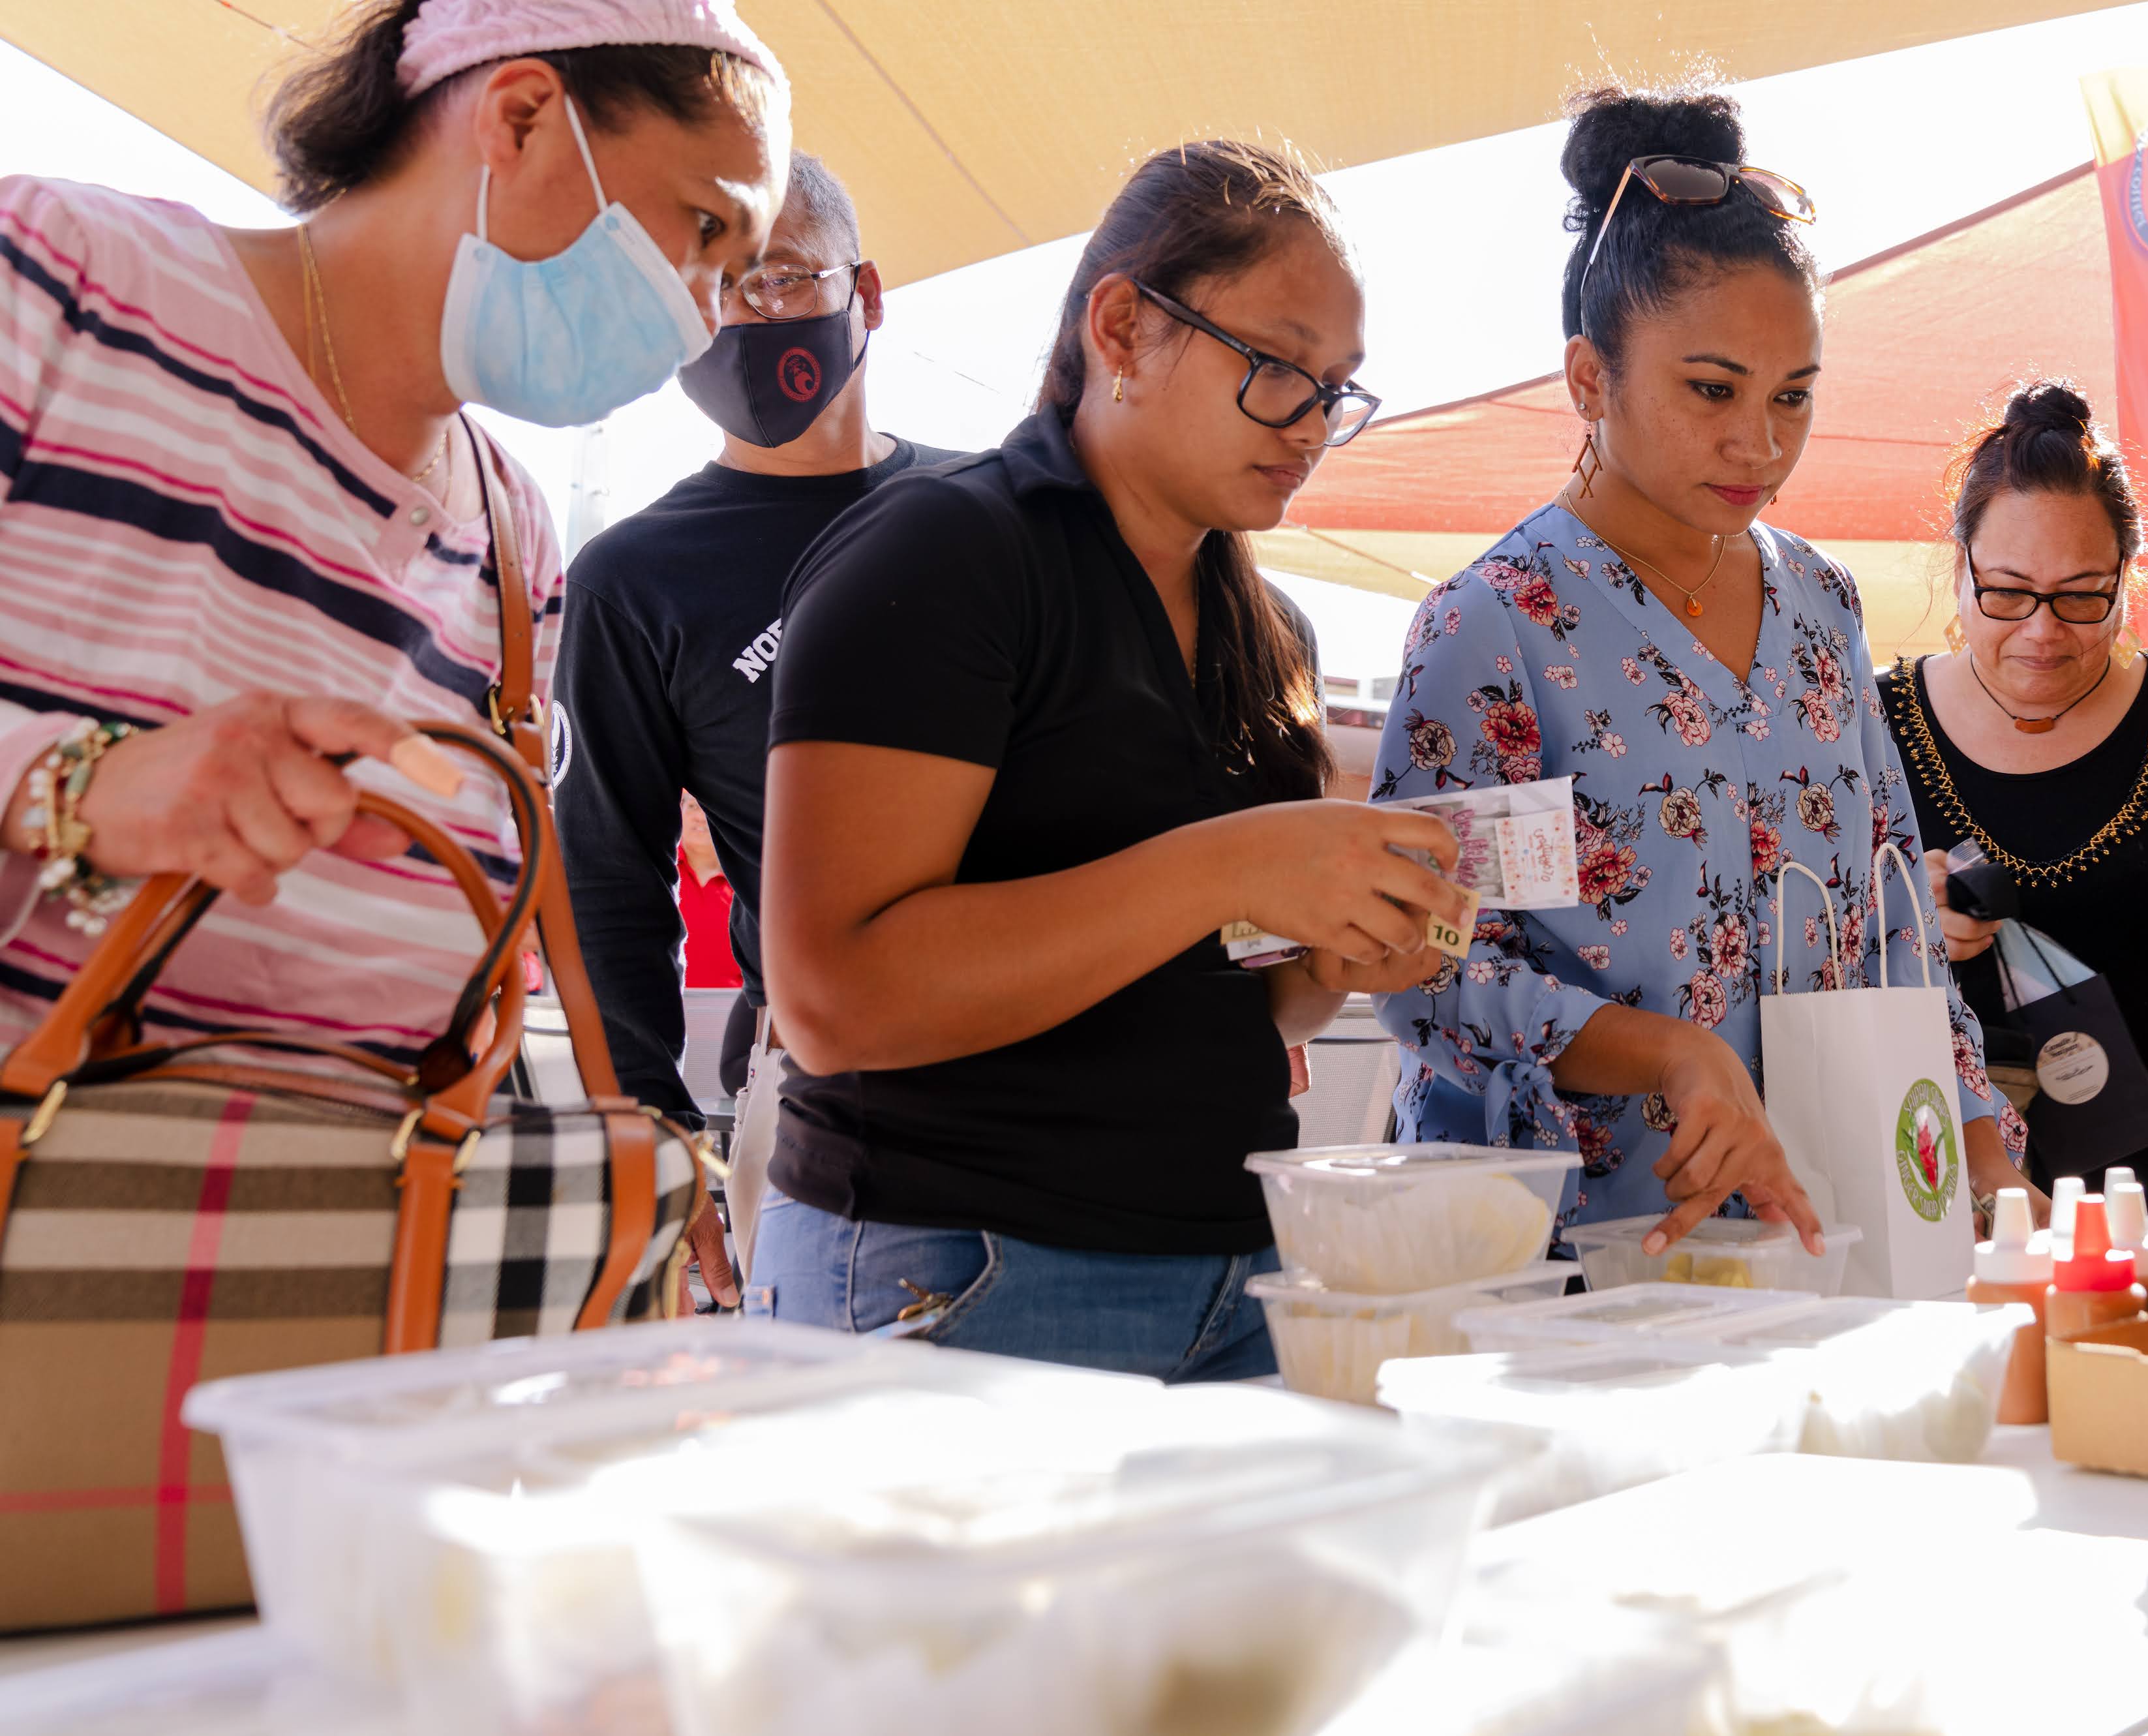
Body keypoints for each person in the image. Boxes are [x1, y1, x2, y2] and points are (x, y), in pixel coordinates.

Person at [3, 0, 779, 1105]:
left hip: (340, 1240)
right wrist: (72, 787)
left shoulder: (516, 536)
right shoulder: (62, 278)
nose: (707, 318)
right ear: (519, 119)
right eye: (707, 232)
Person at [752, 140, 1460, 1378]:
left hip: (1237, 1265)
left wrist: (1345, 955)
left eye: (1335, 388)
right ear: (1124, 328)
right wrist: (1225, 866)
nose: (1308, 423)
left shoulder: (1267, 628)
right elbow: (828, 997)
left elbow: (1257, 996)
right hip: (964, 1263)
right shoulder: (946, 554)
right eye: (1276, 369)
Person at [1375, 85, 2028, 1254]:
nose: (1759, 444)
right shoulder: (1491, 628)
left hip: (1828, 1231)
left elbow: (1891, 913)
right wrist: (1670, 1055)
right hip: (1571, 1256)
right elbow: (1426, 966)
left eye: (1792, 398)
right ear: (1588, 380)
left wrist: (1979, 1159)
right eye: (1711, 390)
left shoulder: (1820, 602)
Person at [550, 150, 954, 1275]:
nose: (740, 315)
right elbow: (602, 878)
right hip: (837, 1097)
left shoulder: (1000, 507)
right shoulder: (634, 577)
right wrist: (646, 1129)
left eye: (777, 278)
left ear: (863, 296)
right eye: (705, 288)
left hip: (1077, 1053)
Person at [1882, 383, 2148, 1195]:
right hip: (1945, 1197)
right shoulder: (1874, 728)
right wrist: (1898, 923)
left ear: (2126, 577)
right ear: (1959, 565)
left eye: (2081, 596)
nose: (2042, 630)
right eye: (2007, 591)